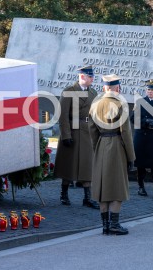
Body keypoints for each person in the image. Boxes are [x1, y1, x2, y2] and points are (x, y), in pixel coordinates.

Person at [89, 74, 136, 235]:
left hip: (101, 144)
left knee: (103, 187)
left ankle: (105, 225)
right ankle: (114, 224)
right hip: (116, 146)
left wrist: (97, 148)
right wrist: (131, 157)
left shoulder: (95, 104)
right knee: (117, 187)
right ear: (116, 88)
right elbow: (126, 134)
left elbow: (92, 130)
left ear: (104, 87)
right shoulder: (120, 103)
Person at [54, 65, 99, 209]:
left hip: (87, 132)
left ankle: (87, 198)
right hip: (72, 132)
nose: (92, 79)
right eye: (90, 76)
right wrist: (65, 135)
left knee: (87, 166)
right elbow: (63, 116)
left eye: (92, 76)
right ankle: (64, 194)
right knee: (69, 165)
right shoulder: (69, 91)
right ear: (82, 76)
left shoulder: (93, 92)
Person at [131, 79, 153, 200]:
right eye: (148, 89)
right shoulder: (140, 102)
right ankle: (141, 187)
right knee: (140, 163)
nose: (150, 92)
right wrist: (145, 122)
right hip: (142, 137)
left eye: (152, 90)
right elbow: (132, 119)